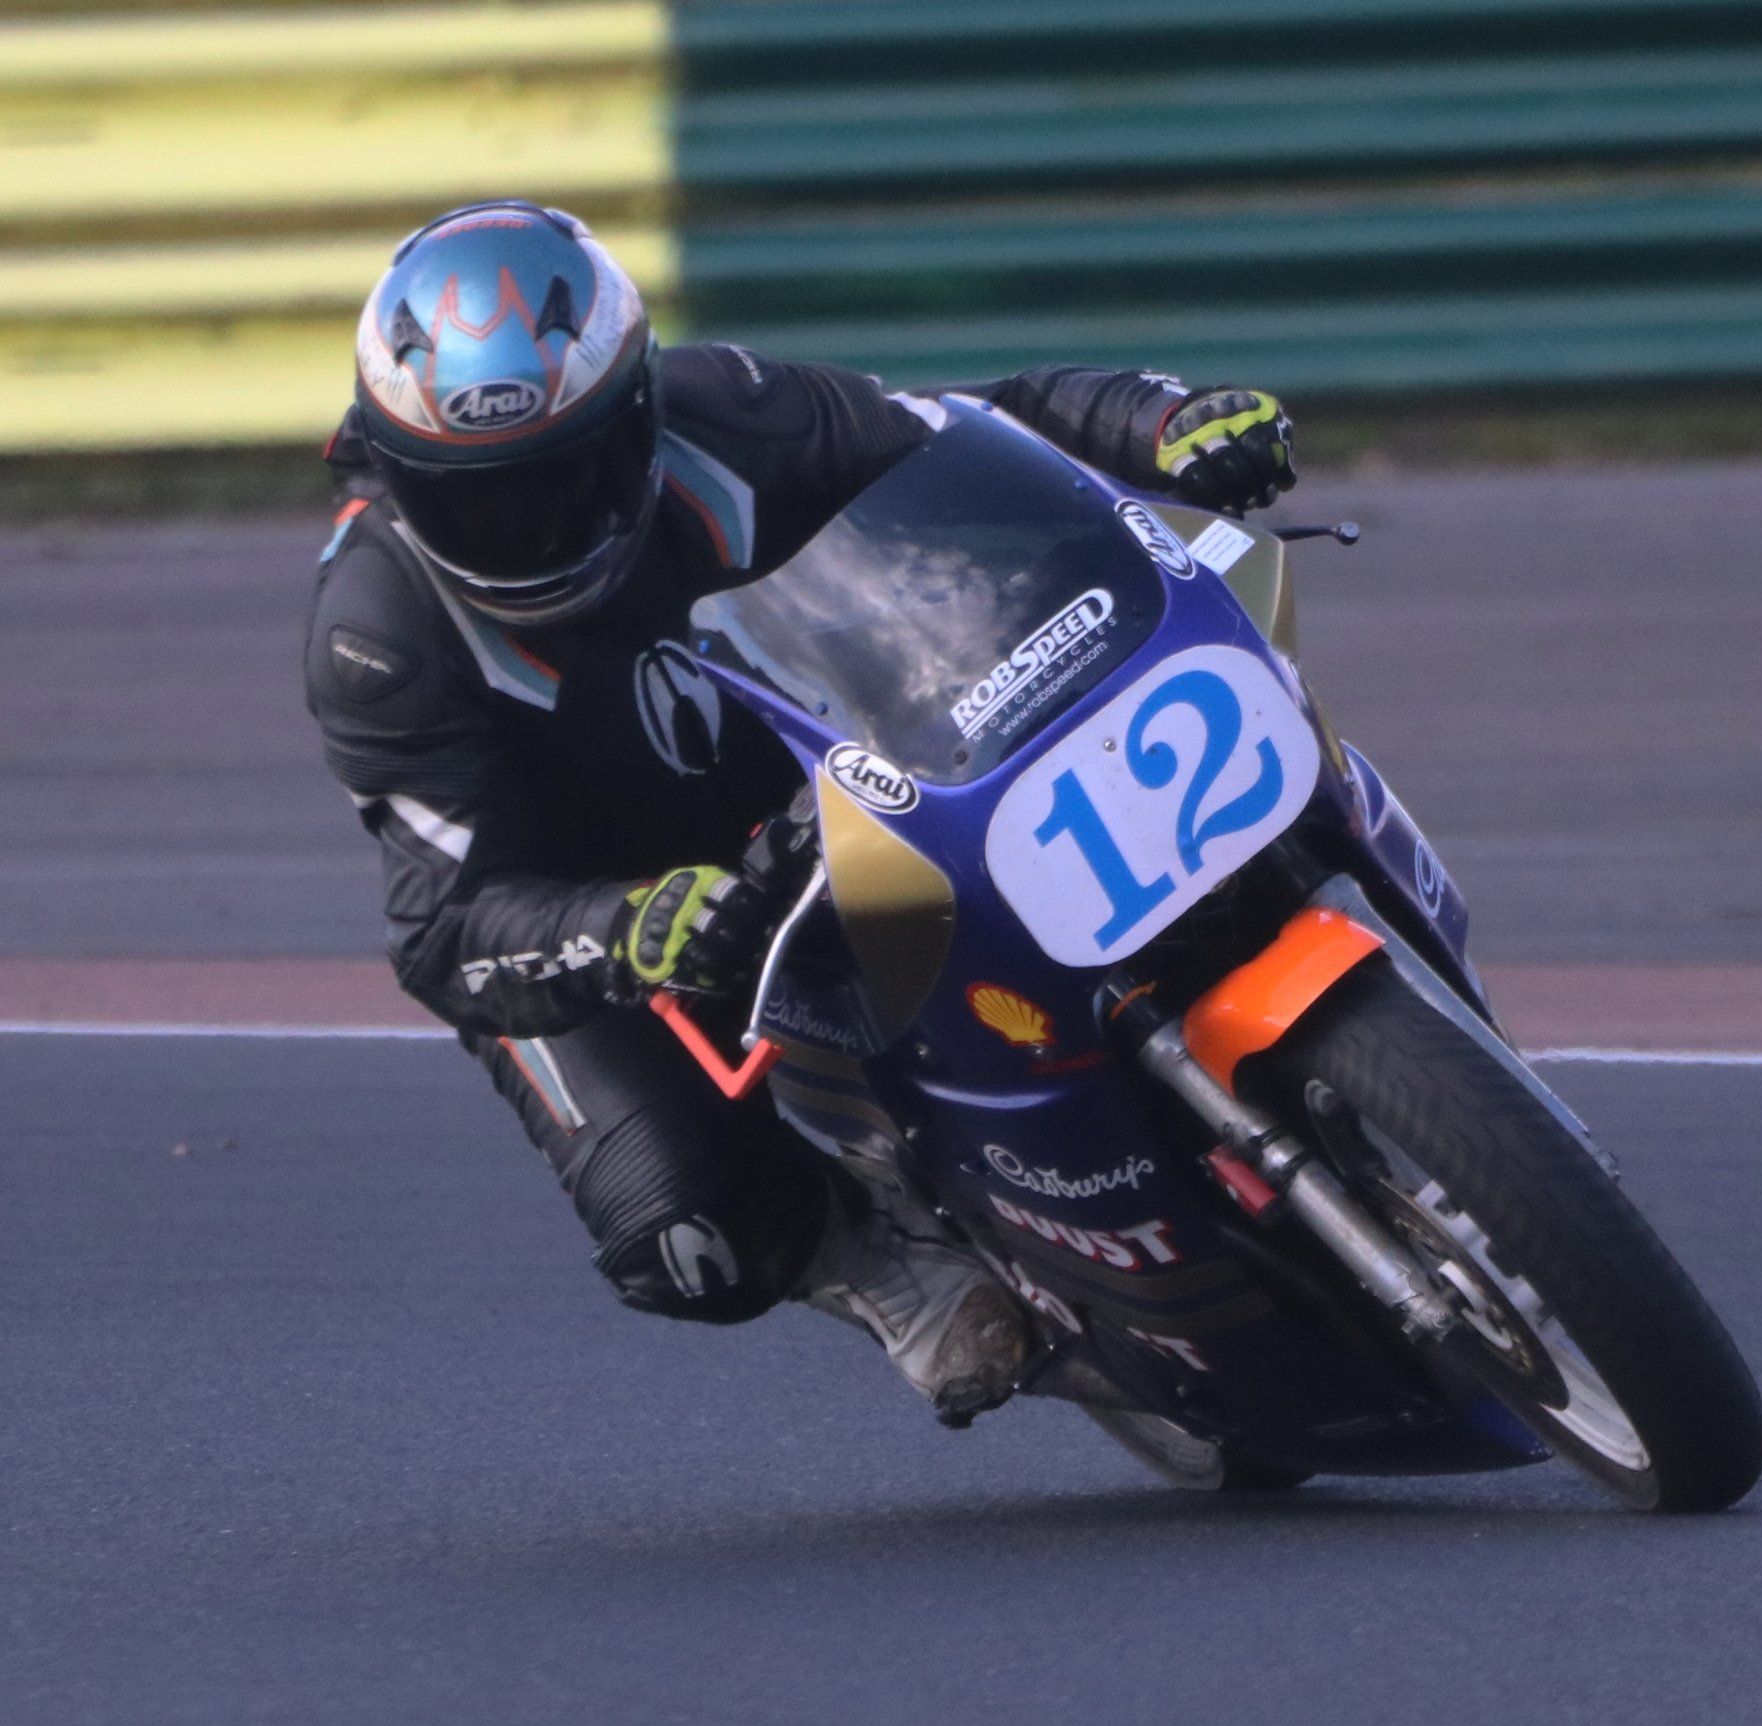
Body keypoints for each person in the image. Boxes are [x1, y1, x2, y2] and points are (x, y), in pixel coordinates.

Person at [305, 199, 1298, 1427]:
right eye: (481, 500)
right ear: (398, 470)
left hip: (827, 764)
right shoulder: (377, 634)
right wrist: (626, 929)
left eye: (567, 479)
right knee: (685, 1236)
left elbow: (966, 431)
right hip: (610, 925)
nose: (533, 525)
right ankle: (874, 1255)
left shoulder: (722, 410)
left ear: (640, 415)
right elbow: (444, 932)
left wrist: (1156, 423)